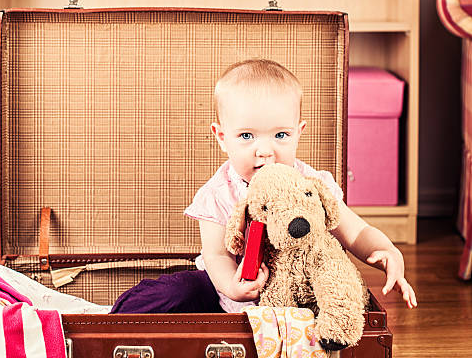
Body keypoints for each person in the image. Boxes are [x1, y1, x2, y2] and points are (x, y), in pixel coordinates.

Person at [111, 59, 417, 315]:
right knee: (179, 290)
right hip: (228, 299)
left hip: (299, 294)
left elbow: (356, 232)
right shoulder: (219, 193)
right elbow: (217, 255)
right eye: (247, 136)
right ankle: (110, 321)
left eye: (280, 135)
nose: (265, 150)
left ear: (299, 132)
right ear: (221, 137)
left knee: (338, 292)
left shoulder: (314, 185)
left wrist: (386, 250)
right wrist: (232, 286)